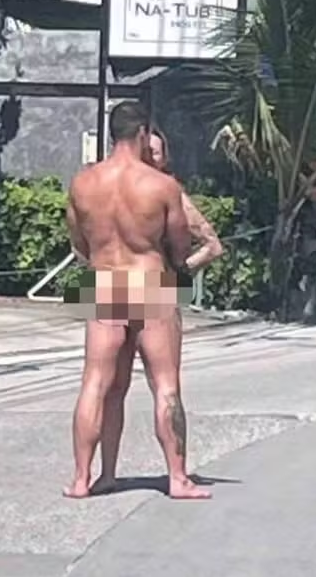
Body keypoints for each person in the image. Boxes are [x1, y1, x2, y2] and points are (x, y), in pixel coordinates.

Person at [63, 101, 211, 500]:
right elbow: (179, 245)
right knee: (165, 384)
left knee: (96, 383)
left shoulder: (82, 183)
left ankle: (85, 478)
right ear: (143, 133)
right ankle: (178, 478)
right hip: (149, 281)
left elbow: (78, 242)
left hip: (103, 283)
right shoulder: (161, 186)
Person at [90, 127, 225, 494]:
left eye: (156, 153)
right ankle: (107, 474)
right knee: (112, 387)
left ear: (165, 159)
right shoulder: (120, 185)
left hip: (142, 287)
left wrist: (179, 274)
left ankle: (176, 475)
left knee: (162, 386)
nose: (148, 157)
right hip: (119, 286)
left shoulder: (169, 191)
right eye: (145, 150)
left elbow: (212, 245)